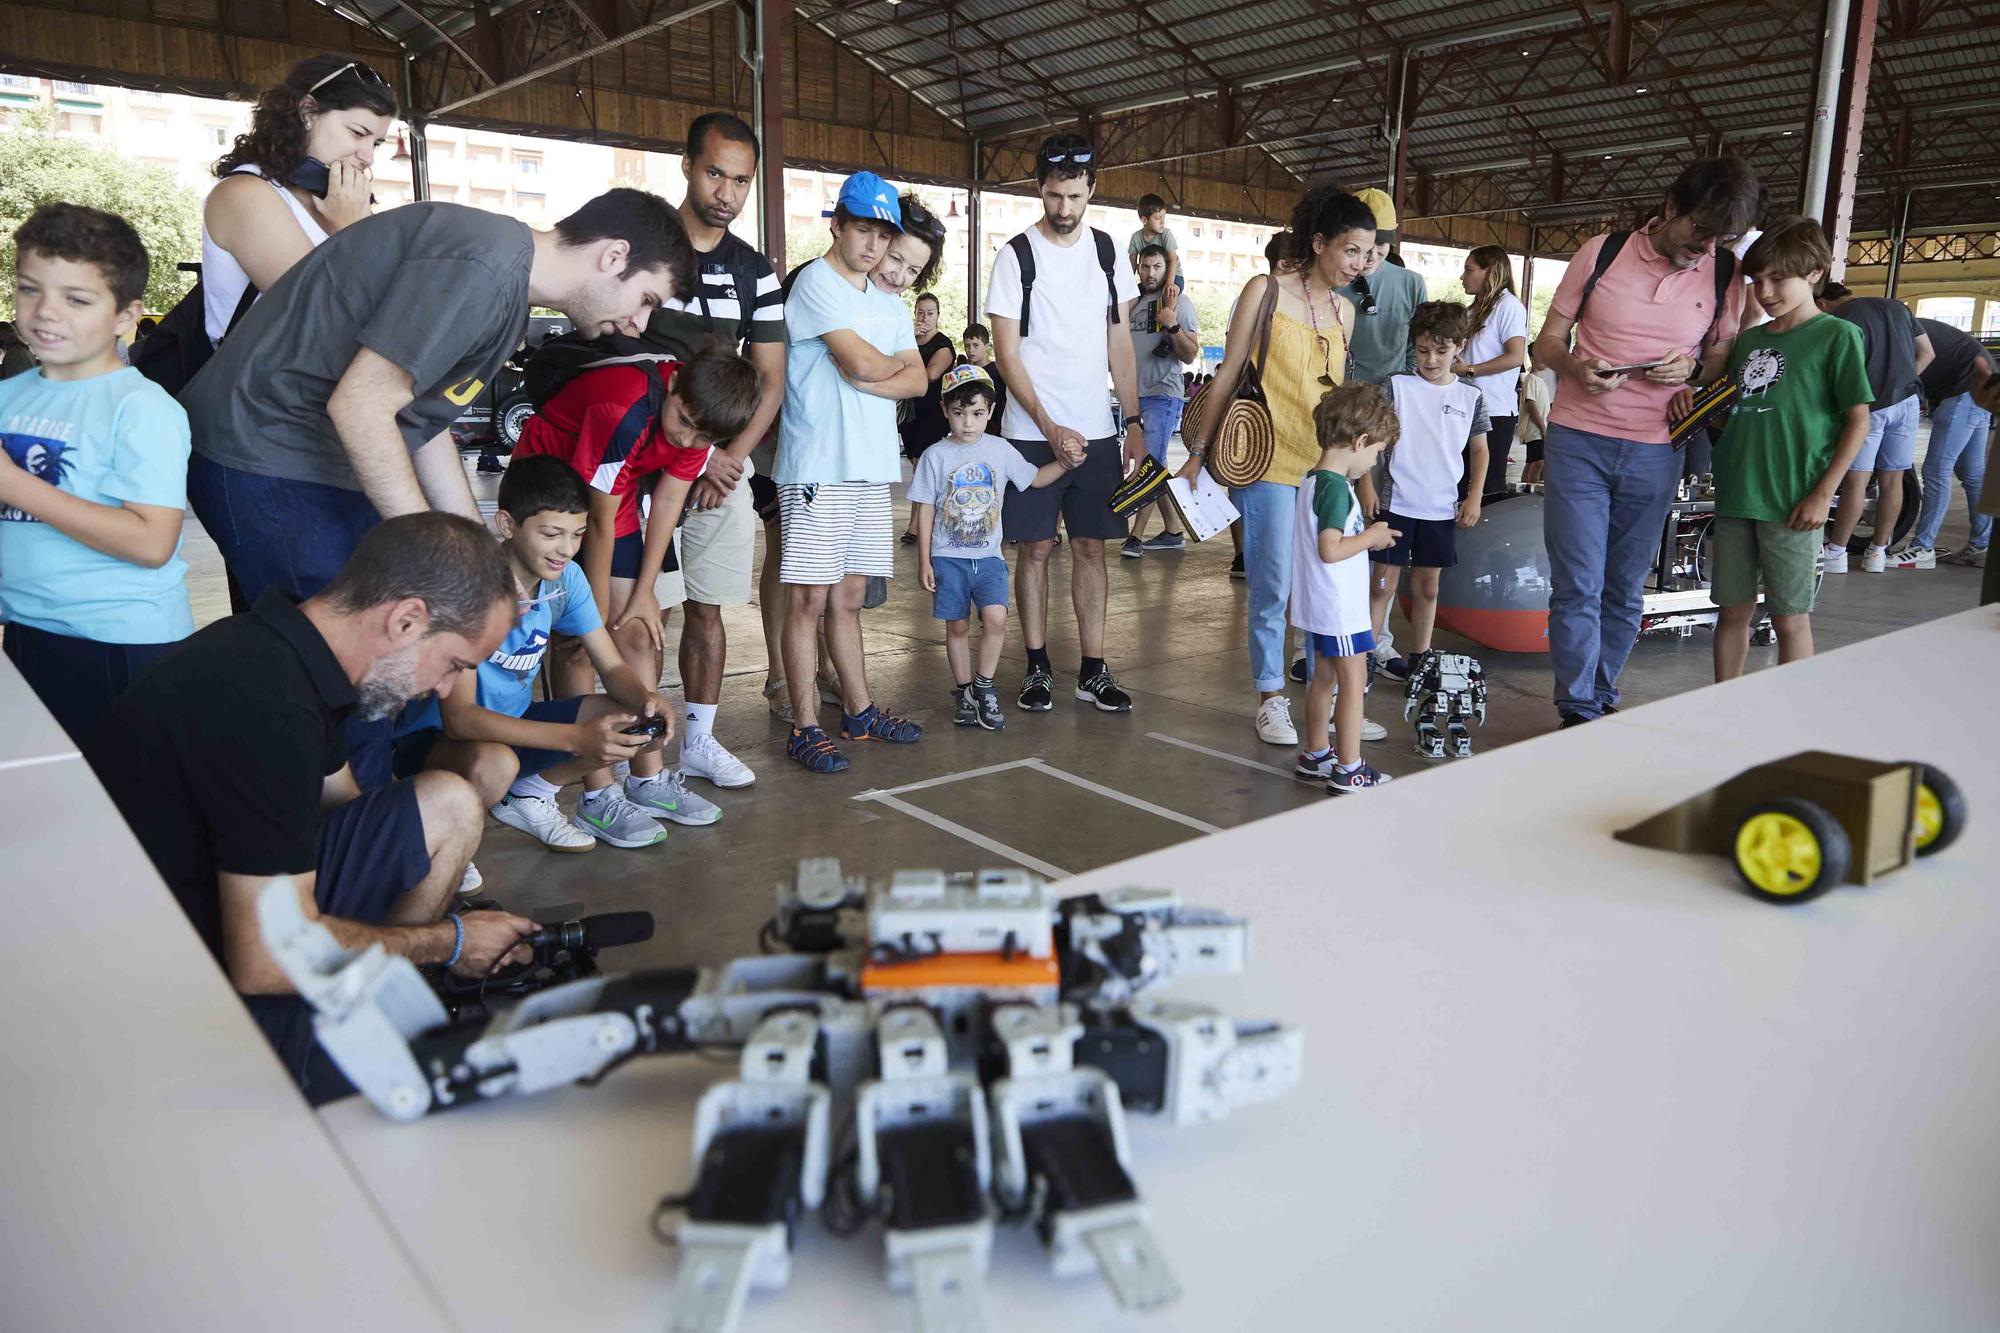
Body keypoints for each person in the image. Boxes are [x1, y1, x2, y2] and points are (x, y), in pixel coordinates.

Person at [182, 186, 691, 787]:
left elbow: (420, 425)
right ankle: (361, 855)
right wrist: (444, 562)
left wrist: (480, 557)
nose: (639, 325)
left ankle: (388, 836)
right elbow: (364, 404)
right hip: (268, 453)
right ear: (613, 257)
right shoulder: (485, 264)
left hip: (310, 461)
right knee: (362, 662)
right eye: (646, 298)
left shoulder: (507, 290)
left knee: (374, 673)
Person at [88, 513, 531, 1104]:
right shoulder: (268, 707)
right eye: (454, 665)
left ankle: (374, 1000)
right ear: (406, 620)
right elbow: (264, 960)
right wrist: (448, 942)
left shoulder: (284, 650)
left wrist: (453, 929)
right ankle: (330, 1051)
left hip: (197, 905)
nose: (447, 690)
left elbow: (361, 820)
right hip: (170, 975)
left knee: (448, 801)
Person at [563, 112, 785, 792]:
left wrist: (729, 455)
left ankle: (702, 743)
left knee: (710, 608)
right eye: (715, 172)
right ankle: (631, 760)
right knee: (638, 616)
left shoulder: (755, 271)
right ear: (688, 165)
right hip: (631, 464)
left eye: (741, 181)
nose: (727, 191)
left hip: (714, 465)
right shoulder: (642, 247)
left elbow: (769, 380)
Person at [1531, 156, 1763, 729]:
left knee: (1625, 584)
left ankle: (1602, 690)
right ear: (1669, 209)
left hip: (1658, 448)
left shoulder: (1723, 272)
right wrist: (1577, 367)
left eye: (1720, 239)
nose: (1705, 247)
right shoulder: (1601, 253)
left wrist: (1692, 368)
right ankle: (1577, 705)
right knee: (1578, 582)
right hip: (1579, 439)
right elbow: (1547, 344)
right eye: (1698, 231)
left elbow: (1722, 355)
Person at [516, 346, 761, 822]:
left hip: (616, 489)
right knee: (579, 645)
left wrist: (645, 590)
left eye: (702, 436)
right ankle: (596, 793)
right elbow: (598, 522)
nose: (687, 437)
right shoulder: (623, 407)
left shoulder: (697, 424)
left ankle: (648, 780)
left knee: (638, 633)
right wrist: (598, 623)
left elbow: (668, 501)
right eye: (684, 421)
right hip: (554, 491)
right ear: (673, 385)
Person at [392, 456, 685, 855]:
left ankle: (532, 794)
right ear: (508, 525)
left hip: (515, 725)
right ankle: (448, 837)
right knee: (496, 764)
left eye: (578, 534)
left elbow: (612, 664)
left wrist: (648, 700)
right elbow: (460, 719)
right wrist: (576, 737)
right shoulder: (470, 586)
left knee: (637, 723)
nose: (565, 549)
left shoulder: (567, 579)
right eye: (551, 534)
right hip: (438, 742)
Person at [1181, 185, 1377, 747]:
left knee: (1328, 588)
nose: (1359, 264)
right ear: (1319, 243)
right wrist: (1196, 453)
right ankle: (1271, 697)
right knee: (1274, 587)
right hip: (1266, 460)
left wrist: (1360, 478)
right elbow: (1227, 372)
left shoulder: (1345, 310)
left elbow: (1342, 402)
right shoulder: (1264, 291)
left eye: (1367, 253)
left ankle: (1332, 701)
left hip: (1325, 469)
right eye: (1351, 251)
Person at [0, 204, 193, 748]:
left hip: (119, 645)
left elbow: (153, 541)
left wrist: (17, 486)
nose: (45, 312)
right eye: (29, 289)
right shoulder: (8, 397)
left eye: (77, 299)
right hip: (28, 631)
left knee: (121, 809)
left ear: (126, 316)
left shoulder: (140, 408)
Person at [775, 171, 930, 773]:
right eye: (862, 228)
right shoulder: (816, 284)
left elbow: (916, 379)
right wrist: (877, 367)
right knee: (809, 598)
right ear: (837, 224)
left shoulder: (887, 302)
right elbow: (859, 360)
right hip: (818, 463)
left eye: (881, 233)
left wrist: (873, 371)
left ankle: (860, 711)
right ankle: (805, 724)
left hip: (869, 466)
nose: (872, 245)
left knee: (851, 595)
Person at [986, 133, 1144, 714]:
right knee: (1032, 550)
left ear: (1091, 189)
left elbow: (1119, 343)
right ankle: (1036, 666)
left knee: (1091, 549)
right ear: (1040, 189)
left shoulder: (1107, 253)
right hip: (1030, 434)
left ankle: (1094, 669)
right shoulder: (1015, 256)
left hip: (1098, 432)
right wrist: (1050, 427)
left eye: (1075, 196)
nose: (1065, 209)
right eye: (1054, 196)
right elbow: (1006, 355)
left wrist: (1132, 420)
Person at [1682, 217, 1870, 680]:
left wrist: (1824, 493)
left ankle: (1789, 717)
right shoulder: (1749, 342)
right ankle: (1724, 702)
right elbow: (1741, 411)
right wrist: (1693, 404)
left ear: (1814, 272)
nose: (1764, 291)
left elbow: (1857, 419)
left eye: (1777, 279)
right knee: (1731, 611)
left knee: (1789, 617)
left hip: (1792, 499)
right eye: (1756, 280)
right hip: (1736, 493)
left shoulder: (1837, 336)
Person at [910, 365, 1080, 730]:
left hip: (989, 557)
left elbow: (1034, 479)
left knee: (996, 619)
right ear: (945, 411)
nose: (967, 423)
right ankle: (963, 691)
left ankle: (983, 685)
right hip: (948, 557)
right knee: (956, 627)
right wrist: (924, 559)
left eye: (976, 414)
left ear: (990, 411)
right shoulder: (935, 456)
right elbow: (924, 508)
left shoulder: (1000, 450)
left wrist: (1065, 464)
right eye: (958, 414)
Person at [202, 55, 394, 347]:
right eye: (357, 133)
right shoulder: (244, 194)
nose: (367, 156)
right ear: (307, 112)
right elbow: (322, 316)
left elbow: (390, 302)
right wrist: (349, 233)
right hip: (262, 382)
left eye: (376, 143)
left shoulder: (337, 202)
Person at [1366, 302, 1491, 687]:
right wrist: (1365, 484)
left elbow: (1480, 450)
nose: (1431, 359)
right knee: (1382, 583)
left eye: (1441, 350)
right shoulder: (1396, 386)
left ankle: (1420, 658)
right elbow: (1370, 440)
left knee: (1428, 585)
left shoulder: (1471, 396)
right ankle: (1365, 658)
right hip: (1395, 503)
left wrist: (1474, 497)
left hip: (1440, 508)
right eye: (1422, 350)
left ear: (1460, 346)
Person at [1292, 381, 1401, 794]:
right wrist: (1372, 537)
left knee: (1323, 679)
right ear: (1359, 442)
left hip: (1319, 606)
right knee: (1353, 683)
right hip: (1338, 607)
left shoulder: (1312, 480)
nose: (1372, 462)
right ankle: (1349, 766)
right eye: (1375, 454)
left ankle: (1317, 753)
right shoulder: (1337, 488)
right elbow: (1331, 550)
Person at [1815, 281, 1933, 571]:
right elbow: (1927, 353)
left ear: (1822, 304)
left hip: (1869, 405)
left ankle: (1837, 552)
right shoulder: (1898, 307)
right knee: (1893, 479)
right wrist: (1900, 383)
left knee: (1857, 479)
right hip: (1907, 403)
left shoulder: (1841, 318)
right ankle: (1878, 553)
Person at [1122, 242, 1199, 556]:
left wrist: (1172, 324)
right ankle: (1172, 530)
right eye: (1145, 267)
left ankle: (1136, 537)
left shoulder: (1182, 304)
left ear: (1167, 270)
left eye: (1157, 267)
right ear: (1138, 267)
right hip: (1133, 396)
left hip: (1163, 395)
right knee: (1158, 463)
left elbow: (1191, 354)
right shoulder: (1133, 303)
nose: (1150, 273)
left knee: (1148, 464)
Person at [1907, 316, 1996, 566]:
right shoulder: (1904, 323)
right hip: (1979, 386)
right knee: (1972, 472)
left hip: (1964, 389)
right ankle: (1982, 544)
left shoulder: (1893, 328)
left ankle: (1922, 548)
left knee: (1936, 470)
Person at [1336, 188, 1427, 386]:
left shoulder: (1412, 284)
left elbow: (1418, 346)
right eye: (1362, 244)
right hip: (1337, 396)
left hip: (1390, 399)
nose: (1371, 254)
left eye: (1381, 243)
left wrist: (1400, 387)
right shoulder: (1331, 281)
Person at [1454, 245, 1528, 479]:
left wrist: (1469, 370)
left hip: (1493, 411)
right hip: (1463, 407)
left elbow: (1515, 357)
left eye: (1469, 270)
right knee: (1459, 482)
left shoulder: (1508, 307)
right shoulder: (1471, 311)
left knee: (1486, 488)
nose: (1462, 277)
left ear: (1490, 271)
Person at [1128, 193, 1183, 316]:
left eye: (1163, 217)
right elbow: (1131, 262)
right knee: (1129, 297)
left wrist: (1169, 282)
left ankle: (1169, 324)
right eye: (1158, 218)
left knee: (1169, 292)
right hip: (1150, 279)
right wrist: (1128, 283)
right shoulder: (1136, 237)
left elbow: (1173, 259)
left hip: (1173, 275)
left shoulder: (1166, 235)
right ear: (1144, 220)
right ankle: (1124, 324)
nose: (1163, 222)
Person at [961, 322, 1007, 432]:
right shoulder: (964, 372)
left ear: (986, 346)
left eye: (976, 345)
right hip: (969, 425)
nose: (971, 350)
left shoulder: (997, 370)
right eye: (967, 345)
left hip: (994, 426)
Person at [1518, 349, 1553, 484]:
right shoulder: (1531, 379)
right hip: (1534, 430)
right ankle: (1531, 488)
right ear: (1533, 359)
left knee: (1532, 460)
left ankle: (1526, 486)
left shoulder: (1539, 380)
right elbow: (1530, 405)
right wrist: (1542, 427)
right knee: (1538, 461)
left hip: (1538, 429)